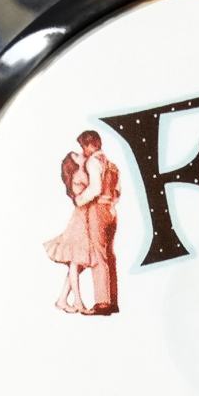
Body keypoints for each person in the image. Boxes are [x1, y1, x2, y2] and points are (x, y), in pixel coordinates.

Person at [74, 130, 120, 315]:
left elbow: (95, 188)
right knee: (110, 255)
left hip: (98, 209)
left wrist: (79, 199)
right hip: (111, 210)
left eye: (83, 146)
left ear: (89, 144)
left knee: (99, 256)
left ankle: (102, 303)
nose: (83, 150)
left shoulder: (93, 162)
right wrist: (111, 204)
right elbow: (117, 191)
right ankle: (113, 300)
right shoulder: (112, 164)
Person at [43, 151, 94, 313]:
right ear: (74, 163)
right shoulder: (79, 175)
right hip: (80, 221)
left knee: (76, 264)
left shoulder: (83, 172)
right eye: (76, 156)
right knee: (75, 261)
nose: (81, 155)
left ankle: (62, 299)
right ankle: (78, 301)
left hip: (84, 218)